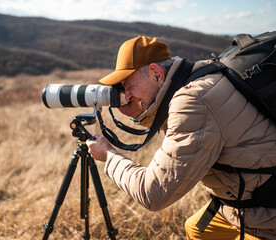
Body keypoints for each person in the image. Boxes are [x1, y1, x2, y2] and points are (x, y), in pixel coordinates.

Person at [86, 35, 276, 239]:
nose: (127, 94)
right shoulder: (198, 74)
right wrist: (137, 109)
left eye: (128, 84)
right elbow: (170, 116)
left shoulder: (193, 101)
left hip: (265, 211)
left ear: (156, 73)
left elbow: (153, 194)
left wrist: (109, 155)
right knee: (197, 229)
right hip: (244, 198)